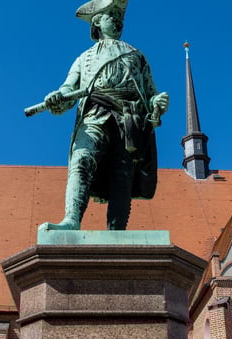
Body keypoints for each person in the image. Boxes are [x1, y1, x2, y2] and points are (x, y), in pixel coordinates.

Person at [41, 0, 169, 231]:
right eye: (112, 14)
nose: (118, 19)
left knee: (122, 174)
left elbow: (150, 93)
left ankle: (117, 232)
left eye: (120, 16)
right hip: (94, 114)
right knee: (81, 160)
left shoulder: (137, 56)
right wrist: (58, 96)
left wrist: (156, 102)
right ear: (97, 21)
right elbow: (69, 89)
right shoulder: (84, 58)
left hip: (128, 117)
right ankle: (71, 220)